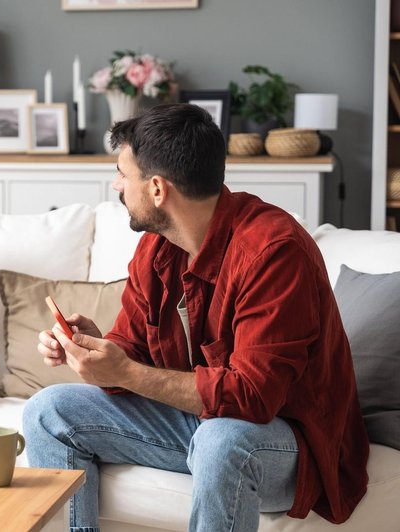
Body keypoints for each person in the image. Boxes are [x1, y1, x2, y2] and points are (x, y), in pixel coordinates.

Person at [23, 104, 369, 531]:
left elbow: (253, 399)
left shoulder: (273, 252)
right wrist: (99, 352)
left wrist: (127, 372)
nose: (115, 185)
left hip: (288, 440)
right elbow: (132, 351)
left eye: (121, 174)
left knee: (223, 440)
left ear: (156, 189)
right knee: (47, 412)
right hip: (202, 420)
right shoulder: (157, 247)